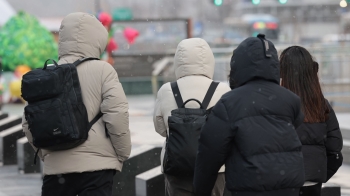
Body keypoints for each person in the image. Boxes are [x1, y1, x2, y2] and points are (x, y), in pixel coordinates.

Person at [22, 12, 131, 196]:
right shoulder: (103, 70)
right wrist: (122, 153)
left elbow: (29, 122)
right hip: (97, 170)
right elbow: (117, 114)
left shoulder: (46, 75)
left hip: (56, 173)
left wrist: (48, 153)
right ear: (97, 39)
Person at [193, 34, 305, 196]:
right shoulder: (290, 99)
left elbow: (209, 155)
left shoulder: (229, 103)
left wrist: (201, 191)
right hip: (287, 185)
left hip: (248, 185)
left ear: (238, 66)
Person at [153, 38, 231, 196]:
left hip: (176, 165)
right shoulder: (222, 89)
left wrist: (182, 134)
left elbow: (161, 128)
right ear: (210, 60)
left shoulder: (166, 90)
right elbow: (228, 131)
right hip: (214, 168)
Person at [279, 46, 343, 196]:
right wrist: (319, 173)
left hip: (282, 182)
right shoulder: (321, 105)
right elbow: (335, 149)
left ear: (283, 72)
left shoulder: (277, 105)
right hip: (313, 184)